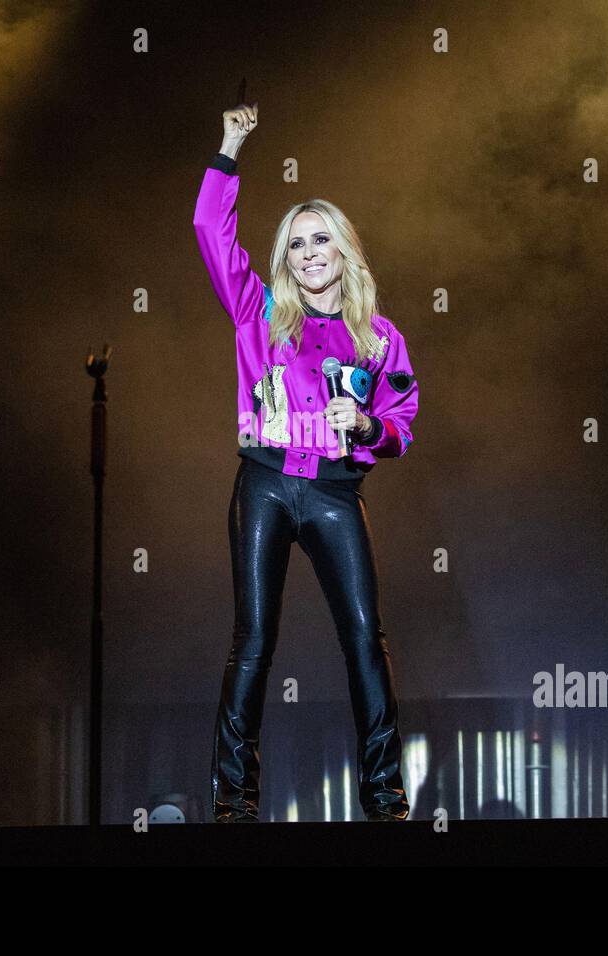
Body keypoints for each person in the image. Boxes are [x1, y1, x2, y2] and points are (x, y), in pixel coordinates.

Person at [192, 100, 419, 822]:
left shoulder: (379, 337)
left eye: (322, 240)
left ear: (344, 250)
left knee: (364, 638)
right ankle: (234, 799)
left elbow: (404, 423)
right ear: (284, 258)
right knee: (253, 636)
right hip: (263, 481)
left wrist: (370, 426)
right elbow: (208, 228)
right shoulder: (257, 310)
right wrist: (230, 145)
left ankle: (384, 799)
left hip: (333, 493)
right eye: (296, 243)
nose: (310, 253)